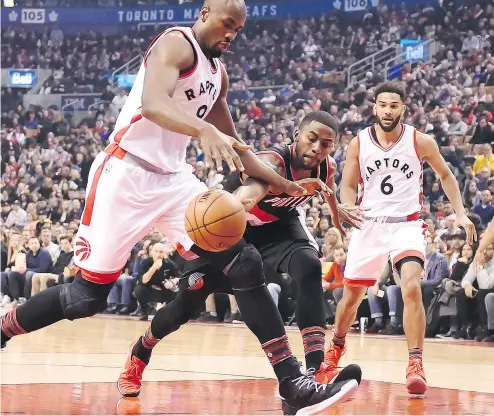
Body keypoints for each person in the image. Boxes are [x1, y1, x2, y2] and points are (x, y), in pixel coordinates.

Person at [1, 0, 360, 413]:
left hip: (173, 180)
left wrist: (283, 183)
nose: (232, 35)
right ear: (205, 13)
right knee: (85, 299)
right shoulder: (176, 42)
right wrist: (203, 131)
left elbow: (239, 148)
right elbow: (153, 104)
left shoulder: (218, 75)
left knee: (241, 262)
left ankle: (293, 385)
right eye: (227, 25)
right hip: (126, 172)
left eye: (238, 31)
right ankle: (4, 330)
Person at [118, 111, 363, 397]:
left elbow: (328, 190)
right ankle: (140, 352)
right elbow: (255, 186)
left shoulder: (326, 166)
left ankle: (316, 368)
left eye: (326, 144)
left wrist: (337, 213)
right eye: (312, 139)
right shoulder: (272, 160)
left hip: (278, 227)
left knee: (308, 264)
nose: (317, 148)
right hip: (233, 229)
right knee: (186, 302)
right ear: (296, 136)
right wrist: (238, 204)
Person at [322, 82, 476, 397]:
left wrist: (460, 213)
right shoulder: (359, 142)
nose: (388, 110)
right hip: (369, 225)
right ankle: (334, 350)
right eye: (383, 104)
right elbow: (348, 186)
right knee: (350, 298)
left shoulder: (420, 141)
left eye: (394, 105)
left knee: (411, 286)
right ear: (375, 107)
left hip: (407, 224)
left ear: (403, 108)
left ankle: (415, 363)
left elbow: (446, 175)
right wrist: (347, 204)